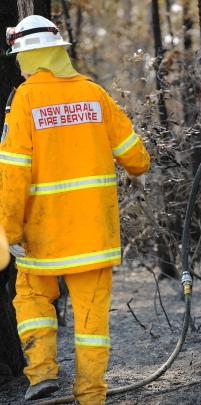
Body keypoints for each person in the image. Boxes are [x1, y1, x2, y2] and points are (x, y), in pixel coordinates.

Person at [0, 15, 150, 404]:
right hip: (93, 236)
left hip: (41, 238)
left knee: (31, 298)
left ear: (27, 58)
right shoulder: (94, 93)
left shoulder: (24, 101)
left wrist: (10, 231)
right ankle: (91, 396)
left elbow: (13, 174)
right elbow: (135, 157)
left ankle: (42, 373)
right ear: (59, 51)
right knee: (91, 322)